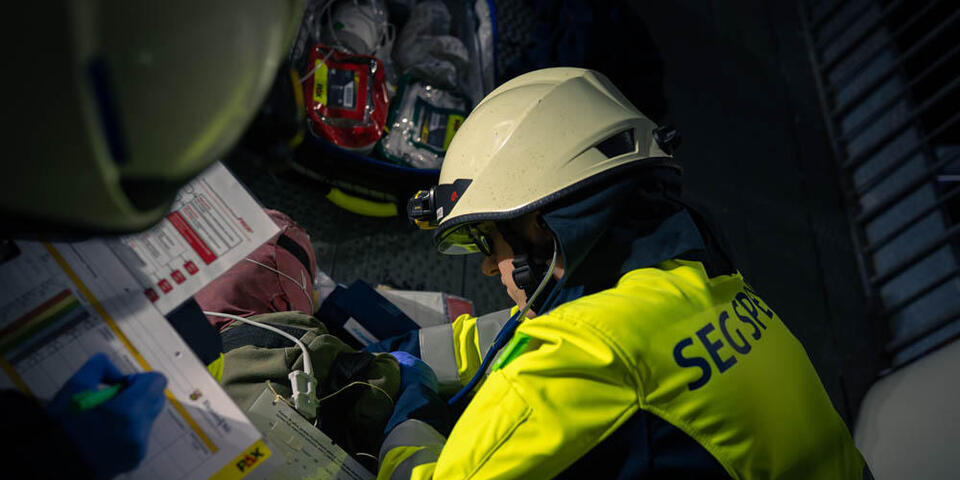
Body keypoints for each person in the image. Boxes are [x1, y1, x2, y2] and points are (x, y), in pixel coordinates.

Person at [378, 68, 871, 479]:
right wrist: (403, 347)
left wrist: (409, 388)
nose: (487, 263)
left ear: (544, 225)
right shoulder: (695, 284)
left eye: (488, 237)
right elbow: (522, 337)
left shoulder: (575, 359)